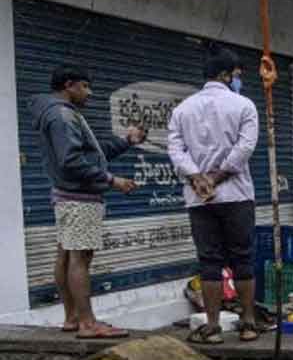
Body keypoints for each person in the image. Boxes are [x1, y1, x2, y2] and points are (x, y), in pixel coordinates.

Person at [30, 65, 144, 339]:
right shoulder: (62, 116)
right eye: (85, 86)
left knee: (67, 255)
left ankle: (72, 318)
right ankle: (88, 323)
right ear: (69, 86)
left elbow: (92, 153)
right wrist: (111, 180)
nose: (89, 92)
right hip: (79, 197)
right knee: (80, 257)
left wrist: (126, 141)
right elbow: (71, 161)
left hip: (68, 196)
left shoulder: (59, 114)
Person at [168, 48, 267, 344]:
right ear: (225, 75)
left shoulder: (182, 109)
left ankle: (212, 327)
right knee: (243, 258)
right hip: (236, 195)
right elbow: (245, 148)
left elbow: (175, 150)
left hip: (200, 198)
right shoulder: (244, 106)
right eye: (237, 75)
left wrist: (198, 178)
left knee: (208, 260)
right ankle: (248, 323)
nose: (239, 81)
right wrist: (216, 177)